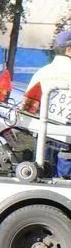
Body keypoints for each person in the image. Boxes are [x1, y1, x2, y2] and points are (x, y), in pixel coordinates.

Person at [26, 31, 71, 178]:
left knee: (41, 176)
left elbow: (27, 106)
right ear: (69, 49)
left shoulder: (42, 73)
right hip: (67, 139)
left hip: (43, 138)